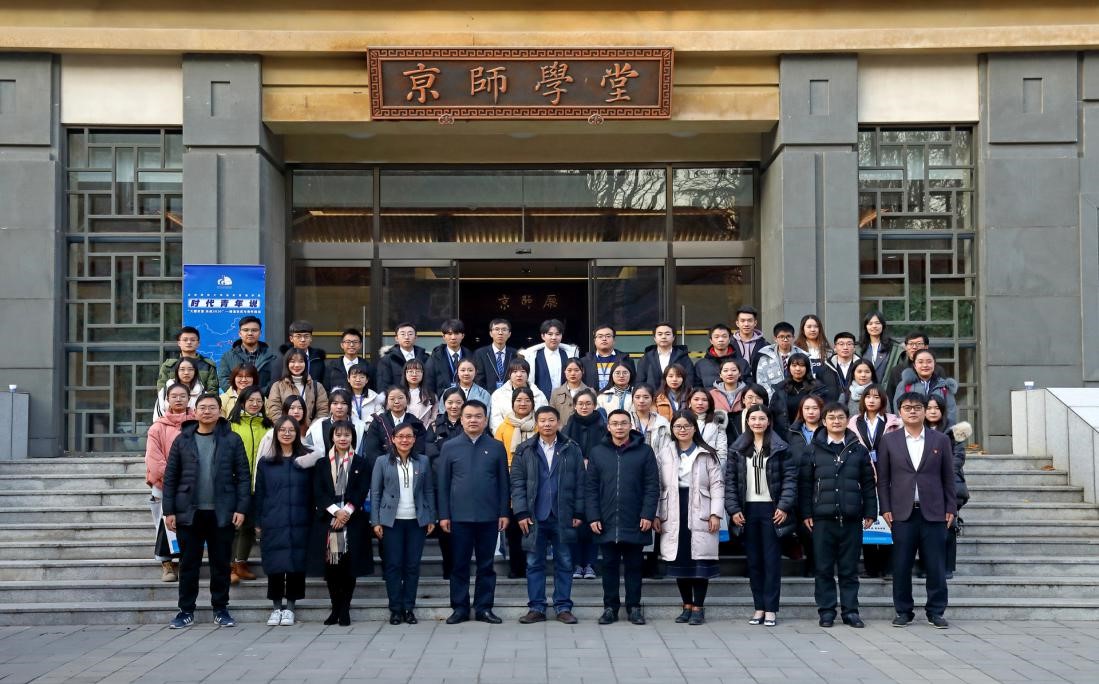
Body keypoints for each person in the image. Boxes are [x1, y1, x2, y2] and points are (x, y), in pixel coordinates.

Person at [162, 394, 251, 629]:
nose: (207, 411)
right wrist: (169, 511)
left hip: (222, 512)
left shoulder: (232, 439)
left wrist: (241, 508)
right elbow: (170, 478)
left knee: (220, 564)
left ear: (220, 411)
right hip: (188, 513)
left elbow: (244, 476)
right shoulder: (182, 440)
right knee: (188, 564)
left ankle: (220, 609)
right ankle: (185, 611)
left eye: (212, 407)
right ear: (195, 411)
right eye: (202, 407)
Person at [877, 392, 957, 629]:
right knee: (901, 566)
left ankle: (936, 611)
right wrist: (885, 508)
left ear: (924, 411)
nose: (912, 411)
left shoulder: (940, 440)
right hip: (902, 513)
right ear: (899, 412)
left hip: (934, 512)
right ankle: (903, 611)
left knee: (936, 565)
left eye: (917, 407)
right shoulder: (889, 441)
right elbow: (883, 479)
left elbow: (948, 477)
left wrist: (951, 507)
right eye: (907, 407)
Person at [799, 403, 877, 629]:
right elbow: (805, 484)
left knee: (849, 570)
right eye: (831, 417)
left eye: (840, 417)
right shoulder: (812, 449)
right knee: (823, 569)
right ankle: (826, 612)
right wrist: (806, 512)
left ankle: (851, 612)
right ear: (824, 421)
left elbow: (868, 483)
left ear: (847, 420)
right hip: (822, 519)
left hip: (851, 519)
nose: (836, 421)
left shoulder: (858, 449)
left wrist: (871, 511)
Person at [438, 400, 511, 625]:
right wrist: (444, 515)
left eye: (478, 416)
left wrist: (504, 512)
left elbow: (503, 483)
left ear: (485, 420)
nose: (473, 420)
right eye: (468, 416)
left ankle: (484, 608)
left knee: (486, 565)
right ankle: (460, 608)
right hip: (458, 517)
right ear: (461, 420)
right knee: (459, 565)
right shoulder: (449, 447)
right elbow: (443, 484)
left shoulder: (496, 446)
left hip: (489, 517)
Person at [511, 406, 586, 624]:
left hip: (563, 514)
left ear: (558, 423)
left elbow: (580, 482)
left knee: (565, 562)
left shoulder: (571, 448)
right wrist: (521, 512)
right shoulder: (525, 449)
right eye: (542, 420)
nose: (547, 424)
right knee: (534, 563)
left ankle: (563, 607)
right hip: (534, 516)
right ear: (537, 423)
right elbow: (517, 483)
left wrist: (578, 511)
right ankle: (536, 607)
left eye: (551, 420)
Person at [586, 409, 660, 626]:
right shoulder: (598, 452)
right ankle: (610, 608)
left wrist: (647, 514)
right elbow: (591, 488)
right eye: (615, 423)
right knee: (608, 566)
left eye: (623, 423)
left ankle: (634, 607)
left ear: (630, 426)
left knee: (634, 567)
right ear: (608, 427)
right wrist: (593, 516)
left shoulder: (644, 451)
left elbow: (652, 486)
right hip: (606, 520)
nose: (619, 427)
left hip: (635, 519)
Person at [726, 405, 797, 627]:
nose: (757, 422)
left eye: (762, 418)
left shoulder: (780, 447)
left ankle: (771, 609)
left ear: (769, 421)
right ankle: (759, 607)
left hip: (772, 510)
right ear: (747, 421)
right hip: (747, 510)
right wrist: (733, 509)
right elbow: (730, 482)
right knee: (754, 561)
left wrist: (783, 506)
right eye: (753, 418)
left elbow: (790, 480)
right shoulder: (737, 448)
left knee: (771, 561)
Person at [254, 415, 324, 627]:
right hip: (273, 520)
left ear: (297, 433)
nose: (286, 433)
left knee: (296, 565)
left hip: (300, 520)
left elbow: (315, 493)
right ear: (276, 433)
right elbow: (259, 494)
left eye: (291, 430)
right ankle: (276, 607)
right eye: (282, 430)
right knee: (275, 565)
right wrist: (258, 522)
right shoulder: (266, 462)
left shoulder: (307, 461)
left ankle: (291, 607)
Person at [659, 411, 724, 626]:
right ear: (672, 429)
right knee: (681, 560)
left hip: (701, 508)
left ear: (694, 428)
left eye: (686, 426)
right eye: (678, 426)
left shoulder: (706, 453)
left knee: (700, 561)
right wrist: (657, 514)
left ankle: (699, 607)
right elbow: (658, 485)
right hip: (673, 507)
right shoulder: (665, 452)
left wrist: (715, 513)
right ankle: (686, 605)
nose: (682, 430)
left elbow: (717, 485)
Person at [372, 421, 437, 625]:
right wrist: (375, 521)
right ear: (393, 439)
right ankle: (395, 609)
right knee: (393, 565)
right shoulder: (382, 461)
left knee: (412, 566)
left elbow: (428, 491)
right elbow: (376, 493)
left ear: (414, 439)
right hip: (391, 521)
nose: (404, 440)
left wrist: (431, 517)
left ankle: (409, 608)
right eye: (400, 436)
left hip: (416, 521)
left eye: (409, 436)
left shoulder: (423, 461)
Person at [312, 419, 372, 626]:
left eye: (347, 435)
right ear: (332, 437)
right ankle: (335, 608)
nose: (343, 438)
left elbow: (361, 490)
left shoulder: (361, 463)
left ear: (353, 437)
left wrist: (345, 513)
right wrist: (335, 512)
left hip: (352, 521)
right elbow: (318, 492)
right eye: (338, 435)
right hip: (329, 521)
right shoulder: (322, 463)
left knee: (348, 567)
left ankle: (345, 609)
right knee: (333, 568)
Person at [849, 384, 901, 579]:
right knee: (868, 517)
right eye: (868, 396)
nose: (871, 400)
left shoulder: (892, 421)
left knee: (888, 517)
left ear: (883, 400)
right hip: (863, 474)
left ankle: (888, 567)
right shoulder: (854, 422)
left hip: (888, 474)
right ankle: (871, 567)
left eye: (876, 397)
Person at [144, 383, 193, 582]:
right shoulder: (158, 427)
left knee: (188, 524)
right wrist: (173, 478)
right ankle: (167, 564)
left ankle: (183, 561)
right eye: (174, 396)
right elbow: (154, 459)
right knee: (164, 525)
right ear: (167, 400)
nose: (178, 399)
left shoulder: (197, 424)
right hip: (164, 484)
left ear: (189, 399)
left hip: (191, 484)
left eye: (183, 396)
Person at [227, 385, 271, 584]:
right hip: (235, 484)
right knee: (233, 526)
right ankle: (228, 566)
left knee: (249, 526)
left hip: (258, 484)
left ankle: (241, 563)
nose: (255, 404)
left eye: (259, 401)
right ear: (242, 402)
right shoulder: (231, 425)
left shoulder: (268, 426)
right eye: (251, 400)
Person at [925, 395, 971, 580]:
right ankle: (927, 565)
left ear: (943, 410)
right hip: (925, 485)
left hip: (948, 484)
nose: (932, 411)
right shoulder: (918, 429)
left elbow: (958, 456)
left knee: (948, 526)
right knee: (926, 528)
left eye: (936, 408)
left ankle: (947, 566)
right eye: (929, 408)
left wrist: (942, 474)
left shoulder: (954, 431)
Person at [494, 386, 538, 579]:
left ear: (533, 403)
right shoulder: (504, 427)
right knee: (514, 527)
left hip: (536, 479)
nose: (523, 403)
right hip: (511, 478)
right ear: (512, 403)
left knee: (535, 525)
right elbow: (497, 455)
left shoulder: (539, 424)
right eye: (519, 400)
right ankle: (516, 567)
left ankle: (533, 566)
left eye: (527, 400)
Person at [561, 389, 604, 580]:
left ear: (594, 405)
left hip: (597, 482)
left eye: (588, 403)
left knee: (593, 522)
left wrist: (591, 463)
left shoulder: (603, 426)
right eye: (580, 404)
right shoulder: (568, 427)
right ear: (575, 406)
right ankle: (577, 564)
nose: (584, 407)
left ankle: (591, 564)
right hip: (572, 481)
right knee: (575, 523)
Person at [426, 387, 466, 580]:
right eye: (450, 402)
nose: (454, 406)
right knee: (445, 527)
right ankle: (448, 566)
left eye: (458, 402)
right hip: (441, 482)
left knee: (462, 528)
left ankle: (460, 566)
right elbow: (429, 452)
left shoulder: (470, 422)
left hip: (465, 484)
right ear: (444, 404)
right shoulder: (435, 425)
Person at [786, 394, 825, 577]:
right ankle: (809, 560)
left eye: (815, 408)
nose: (811, 412)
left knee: (819, 528)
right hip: (799, 485)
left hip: (823, 486)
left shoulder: (827, 431)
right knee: (804, 527)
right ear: (801, 411)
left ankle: (817, 564)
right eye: (807, 408)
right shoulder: (792, 432)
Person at [358, 386, 427, 464]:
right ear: (387, 402)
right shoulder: (378, 422)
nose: (396, 402)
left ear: (407, 400)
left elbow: (419, 449)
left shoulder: (416, 423)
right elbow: (372, 450)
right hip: (384, 466)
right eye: (392, 399)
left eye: (400, 398)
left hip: (410, 465)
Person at [266, 349, 330, 427]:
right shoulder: (277, 386)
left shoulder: (317, 386)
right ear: (287, 364)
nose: (297, 365)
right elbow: (274, 410)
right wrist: (287, 427)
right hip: (285, 431)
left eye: (301, 361)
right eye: (292, 361)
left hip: (310, 430)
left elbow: (323, 411)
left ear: (306, 364)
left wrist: (312, 429)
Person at [768, 353, 828, 434]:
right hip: (784, 435)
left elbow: (825, 413)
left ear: (807, 368)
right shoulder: (781, 388)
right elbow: (772, 414)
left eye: (802, 365)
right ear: (789, 368)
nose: (798, 369)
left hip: (811, 434)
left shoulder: (818, 389)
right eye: (794, 365)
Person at [895, 349, 959, 426]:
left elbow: (951, 412)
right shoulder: (905, 385)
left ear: (934, 364)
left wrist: (946, 430)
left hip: (938, 430)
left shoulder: (944, 386)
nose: (925, 365)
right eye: (920, 362)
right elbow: (898, 409)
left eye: (929, 362)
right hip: (912, 429)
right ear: (914, 365)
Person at [521, 318, 580, 399]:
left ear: (561, 336)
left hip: (565, 400)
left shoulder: (569, 355)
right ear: (543, 336)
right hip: (541, 401)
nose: (554, 337)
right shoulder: (534, 356)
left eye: (557, 334)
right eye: (550, 334)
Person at [218, 316, 278, 392]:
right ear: (240, 333)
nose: (250, 333)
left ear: (260, 333)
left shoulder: (272, 356)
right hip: (237, 398)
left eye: (254, 330)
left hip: (264, 398)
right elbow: (224, 379)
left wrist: (259, 395)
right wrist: (240, 394)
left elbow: (275, 380)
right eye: (245, 330)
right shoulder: (227, 356)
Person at [490, 358, 548, 433]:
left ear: (528, 374)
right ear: (509, 374)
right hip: (507, 436)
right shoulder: (498, 395)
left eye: (523, 371)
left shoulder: (538, 394)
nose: (519, 375)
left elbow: (545, 418)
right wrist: (505, 436)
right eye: (515, 371)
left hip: (535, 434)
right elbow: (495, 422)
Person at [305, 388, 367, 455]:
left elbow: (364, 452)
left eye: (343, 403)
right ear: (329, 406)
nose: (339, 407)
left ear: (349, 407)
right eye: (335, 403)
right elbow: (309, 452)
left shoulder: (359, 427)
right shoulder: (318, 427)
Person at [751, 322, 808, 395]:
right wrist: (773, 397)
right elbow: (761, 382)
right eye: (781, 337)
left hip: (798, 396)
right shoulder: (765, 356)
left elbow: (808, 378)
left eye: (788, 336)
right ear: (775, 338)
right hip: (772, 398)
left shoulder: (802, 355)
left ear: (793, 338)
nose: (785, 340)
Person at [636, 322, 697, 389]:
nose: (663, 337)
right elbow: (640, 382)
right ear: (654, 338)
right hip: (652, 395)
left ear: (673, 337)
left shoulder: (683, 357)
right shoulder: (646, 358)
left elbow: (689, 380)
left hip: (677, 395)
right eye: (660, 334)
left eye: (667, 334)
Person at [886, 331, 947, 397]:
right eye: (911, 344)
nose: (914, 347)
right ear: (906, 347)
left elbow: (943, 394)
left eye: (919, 344)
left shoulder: (937, 370)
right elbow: (890, 396)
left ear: (926, 347)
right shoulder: (897, 370)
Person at [859, 311, 906, 397]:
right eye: (870, 323)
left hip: (887, 394)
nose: (874, 326)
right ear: (866, 327)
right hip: (863, 395)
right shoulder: (859, 348)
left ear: (883, 325)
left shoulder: (894, 348)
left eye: (877, 323)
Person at [157, 326, 218, 391]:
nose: (189, 342)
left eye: (193, 340)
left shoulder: (208, 365)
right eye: (185, 340)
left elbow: (212, 390)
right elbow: (162, 390)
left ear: (198, 343)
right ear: (179, 343)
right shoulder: (169, 366)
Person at [375, 322, 429, 392]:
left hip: (421, 396)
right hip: (397, 397)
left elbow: (429, 381)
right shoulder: (387, 359)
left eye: (410, 334)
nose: (406, 337)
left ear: (416, 337)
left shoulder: (425, 358)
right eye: (403, 334)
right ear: (396, 338)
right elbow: (383, 385)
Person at [580, 324, 636, 392]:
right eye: (600, 336)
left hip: (619, 397)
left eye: (608, 336)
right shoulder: (585, 361)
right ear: (595, 341)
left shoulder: (626, 360)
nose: (604, 339)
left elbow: (633, 383)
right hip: (592, 397)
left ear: (614, 340)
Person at [424, 318, 473, 395]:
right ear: (443, 336)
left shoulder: (470, 356)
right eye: (449, 334)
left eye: (456, 333)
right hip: (442, 399)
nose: (453, 337)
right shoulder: (435, 357)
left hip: (466, 398)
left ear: (462, 335)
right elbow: (428, 381)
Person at [276, 320, 327, 387]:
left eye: (306, 336)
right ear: (291, 339)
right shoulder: (282, 359)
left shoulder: (317, 359)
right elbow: (275, 386)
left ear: (311, 338)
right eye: (298, 336)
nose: (303, 340)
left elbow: (323, 385)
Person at [687, 388, 728, 469]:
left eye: (704, 400)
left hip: (710, 468)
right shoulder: (682, 421)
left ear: (710, 404)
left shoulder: (717, 423)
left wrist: (717, 471)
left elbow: (722, 452)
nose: (700, 403)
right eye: (696, 399)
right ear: (689, 403)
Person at [474, 318, 519, 391]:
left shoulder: (515, 354)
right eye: (497, 329)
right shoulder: (480, 353)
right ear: (491, 333)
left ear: (509, 334)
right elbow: (478, 379)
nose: (500, 333)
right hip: (487, 395)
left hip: (510, 394)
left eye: (504, 330)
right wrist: (486, 395)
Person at [710, 358, 749, 441]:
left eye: (734, 370)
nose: (730, 373)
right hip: (718, 437)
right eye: (725, 370)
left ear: (739, 373)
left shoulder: (748, 393)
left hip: (744, 436)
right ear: (720, 375)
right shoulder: (712, 394)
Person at [324, 327, 371, 392]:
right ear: (342, 345)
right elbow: (326, 390)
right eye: (348, 342)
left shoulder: (368, 367)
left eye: (355, 342)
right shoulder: (331, 367)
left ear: (360, 345)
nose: (351, 345)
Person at [695, 324, 741, 389]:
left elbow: (747, 387)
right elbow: (697, 389)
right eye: (716, 337)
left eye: (724, 336)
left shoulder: (742, 363)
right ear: (711, 340)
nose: (721, 339)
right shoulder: (700, 364)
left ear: (729, 339)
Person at [819, 331, 860, 403]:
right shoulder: (824, 369)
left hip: (856, 407)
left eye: (849, 344)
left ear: (854, 348)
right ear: (835, 348)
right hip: (832, 408)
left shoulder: (862, 367)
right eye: (841, 344)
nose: (845, 347)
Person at [549, 358, 589, 426]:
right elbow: (551, 416)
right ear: (564, 371)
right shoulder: (556, 393)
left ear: (583, 371)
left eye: (576, 370)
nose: (573, 373)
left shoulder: (590, 392)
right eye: (569, 370)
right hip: (561, 431)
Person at [401, 359, 436, 424]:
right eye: (411, 371)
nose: (414, 374)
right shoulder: (398, 394)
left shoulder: (431, 396)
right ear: (405, 373)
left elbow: (434, 418)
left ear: (423, 374)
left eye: (418, 371)